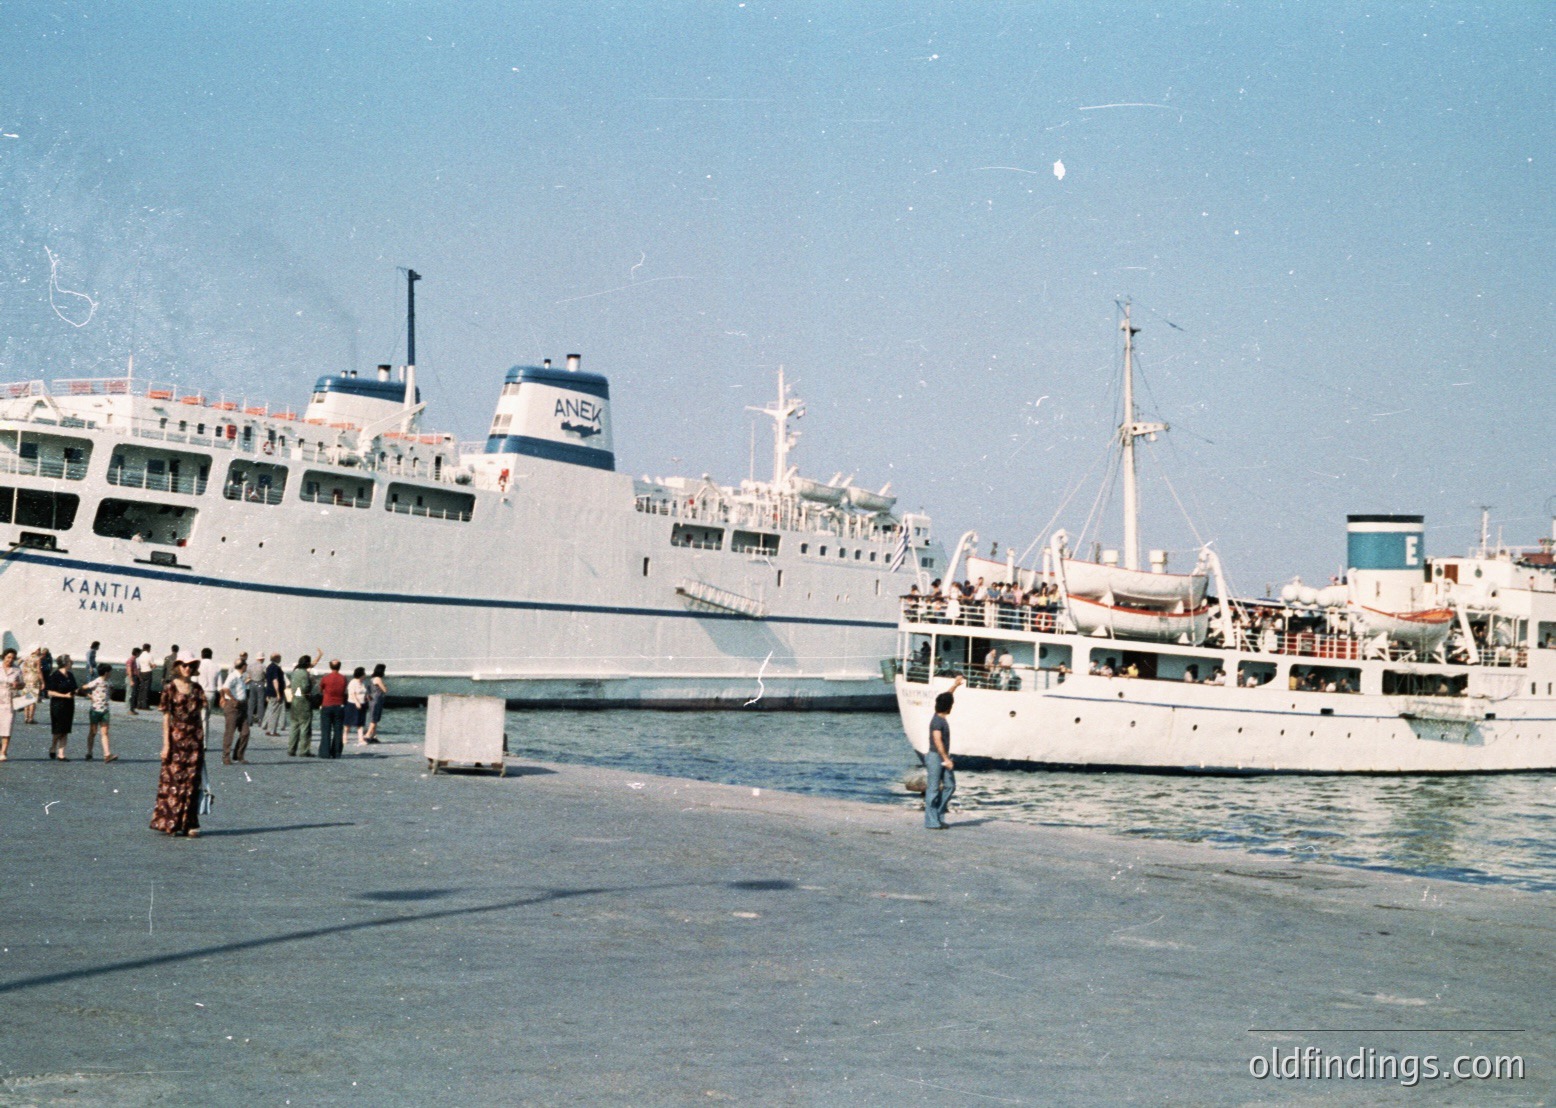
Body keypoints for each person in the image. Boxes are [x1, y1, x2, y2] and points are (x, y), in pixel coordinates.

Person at [151, 650, 207, 838]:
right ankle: (171, 822)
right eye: (184, 665)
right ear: (177, 666)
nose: (188, 668)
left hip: (194, 741)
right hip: (176, 740)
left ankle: (190, 822)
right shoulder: (169, 688)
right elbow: (166, 718)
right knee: (173, 782)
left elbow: (201, 716)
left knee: (192, 782)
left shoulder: (197, 689)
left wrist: (202, 742)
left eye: (191, 665)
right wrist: (165, 744)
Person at [924, 675, 964, 830]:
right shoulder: (937, 721)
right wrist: (946, 759)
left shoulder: (939, 714)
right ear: (949, 707)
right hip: (936, 757)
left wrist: (955, 685)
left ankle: (937, 814)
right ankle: (931, 821)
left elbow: (946, 697)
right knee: (933, 789)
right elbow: (937, 741)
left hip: (941, 757)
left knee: (950, 786)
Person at [45, 653, 79, 760]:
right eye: (70, 661)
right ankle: (53, 746)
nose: (71, 662)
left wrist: (76, 691)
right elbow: (50, 692)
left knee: (65, 729)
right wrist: (64, 695)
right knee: (58, 730)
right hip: (58, 704)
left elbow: (74, 687)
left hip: (69, 704)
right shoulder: (55, 676)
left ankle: (61, 753)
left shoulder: (70, 675)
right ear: (65, 663)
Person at [287, 651, 320, 757]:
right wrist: (310, 690)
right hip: (304, 701)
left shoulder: (295, 672)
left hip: (295, 699)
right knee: (305, 726)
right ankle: (304, 750)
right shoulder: (305, 674)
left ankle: (291, 749)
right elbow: (305, 687)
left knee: (294, 725)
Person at [81, 663, 116, 761]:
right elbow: (83, 688)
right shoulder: (96, 681)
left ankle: (107, 754)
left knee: (105, 732)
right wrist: (89, 696)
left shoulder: (109, 682)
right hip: (95, 710)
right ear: (106, 673)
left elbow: (112, 689)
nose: (111, 674)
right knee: (93, 732)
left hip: (105, 710)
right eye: (110, 672)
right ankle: (89, 752)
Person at [220, 658, 251, 764]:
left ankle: (239, 755)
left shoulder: (241, 677)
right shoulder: (233, 676)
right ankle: (226, 756)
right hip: (233, 707)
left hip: (242, 706)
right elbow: (225, 688)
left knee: (245, 732)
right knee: (230, 732)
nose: (247, 666)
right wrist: (233, 699)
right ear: (243, 666)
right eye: (246, 664)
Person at [318, 659, 348, 758]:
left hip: (327, 705)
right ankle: (336, 752)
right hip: (339, 705)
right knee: (338, 730)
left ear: (330, 666)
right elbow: (344, 690)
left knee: (326, 730)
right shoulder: (343, 678)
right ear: (340, 666)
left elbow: (320, 689)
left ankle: (324, 752)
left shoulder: (325, 678)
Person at [0, 647, 20, 761]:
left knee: (7, 727)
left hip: (9, 702)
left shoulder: (17, 670)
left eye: (12, 658)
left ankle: (4, 752)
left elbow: (22, 684)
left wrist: (18, 685)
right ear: (4, 657)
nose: (10, 660)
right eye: (8, 657)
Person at [262, 653, 286, 736]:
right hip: (275, 692)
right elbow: (275, 680)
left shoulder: (269, 667)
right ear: (277, 658)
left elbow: (268, 680)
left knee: (271, 711)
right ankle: (272, 731)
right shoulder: (276, 668)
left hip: (269, 691)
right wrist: (278, 693)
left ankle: (269, 729)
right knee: (275, 712)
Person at [364, 663, 388, 744]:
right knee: (375, 719)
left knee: (373, 716)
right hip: (378, 699)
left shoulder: (372, 679)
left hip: (372, 699)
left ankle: (374, 736)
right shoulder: (378, 679)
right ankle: (367, 735)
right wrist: (385, 686)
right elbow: (384, 690)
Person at [345, 666, 369, 745]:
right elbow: (352, 693)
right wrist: (357, 702)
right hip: (352, 704)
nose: (365, 674)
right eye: (364, 673)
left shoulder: (363, 682)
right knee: (348, 722)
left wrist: (367, 697)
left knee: (360, 722)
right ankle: (344, 737)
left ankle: (360, 739)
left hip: (362, 703)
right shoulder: (353, 682)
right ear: (361, 674)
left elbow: (364, 692)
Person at [124, 646, 142, 716]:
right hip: (131, 677)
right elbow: (129, 670)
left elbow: (135, 670)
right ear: (137, 653)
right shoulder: (131, 660)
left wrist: (139, 677)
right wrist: (131, 680)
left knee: (133, 694)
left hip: (134, 677)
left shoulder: (134, 660)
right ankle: (129, 709)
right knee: (130, 694)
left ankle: (132, 709)